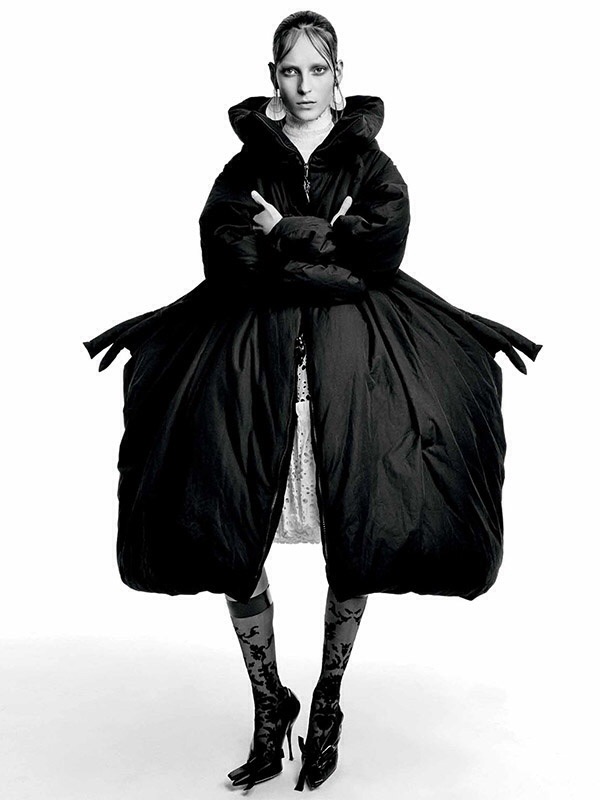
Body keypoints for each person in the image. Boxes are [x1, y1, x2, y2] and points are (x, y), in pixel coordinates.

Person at [83, 9, 542, 793]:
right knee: (232, 534)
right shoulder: (243, 167)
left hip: (349, 377)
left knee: (356, 529)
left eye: (316, 70)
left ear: (338, 76)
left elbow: (376, 257)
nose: (302, 85)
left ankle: (327, 702)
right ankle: (271, 705)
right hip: (252, 373)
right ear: (273, 77)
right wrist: (322, 236)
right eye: (289, 71)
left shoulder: (371, 162)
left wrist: (284, 231)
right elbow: (230, 261)